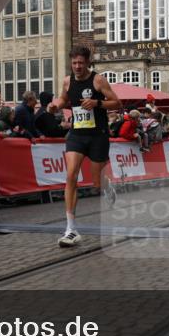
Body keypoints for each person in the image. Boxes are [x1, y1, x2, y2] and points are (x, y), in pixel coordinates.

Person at [47, 46, 121, 247]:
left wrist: (97, 103)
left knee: (97, 183)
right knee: (71, 175)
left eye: (81, 63)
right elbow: (64, 99)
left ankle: (106, 186)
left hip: (98, 135)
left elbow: (117, 103)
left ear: (88, 62)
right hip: (77, 135)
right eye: (74, 63)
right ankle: (71, 229)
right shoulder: (67, 81)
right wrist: (56, 105)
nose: (77, 66)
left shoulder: (98, 80)